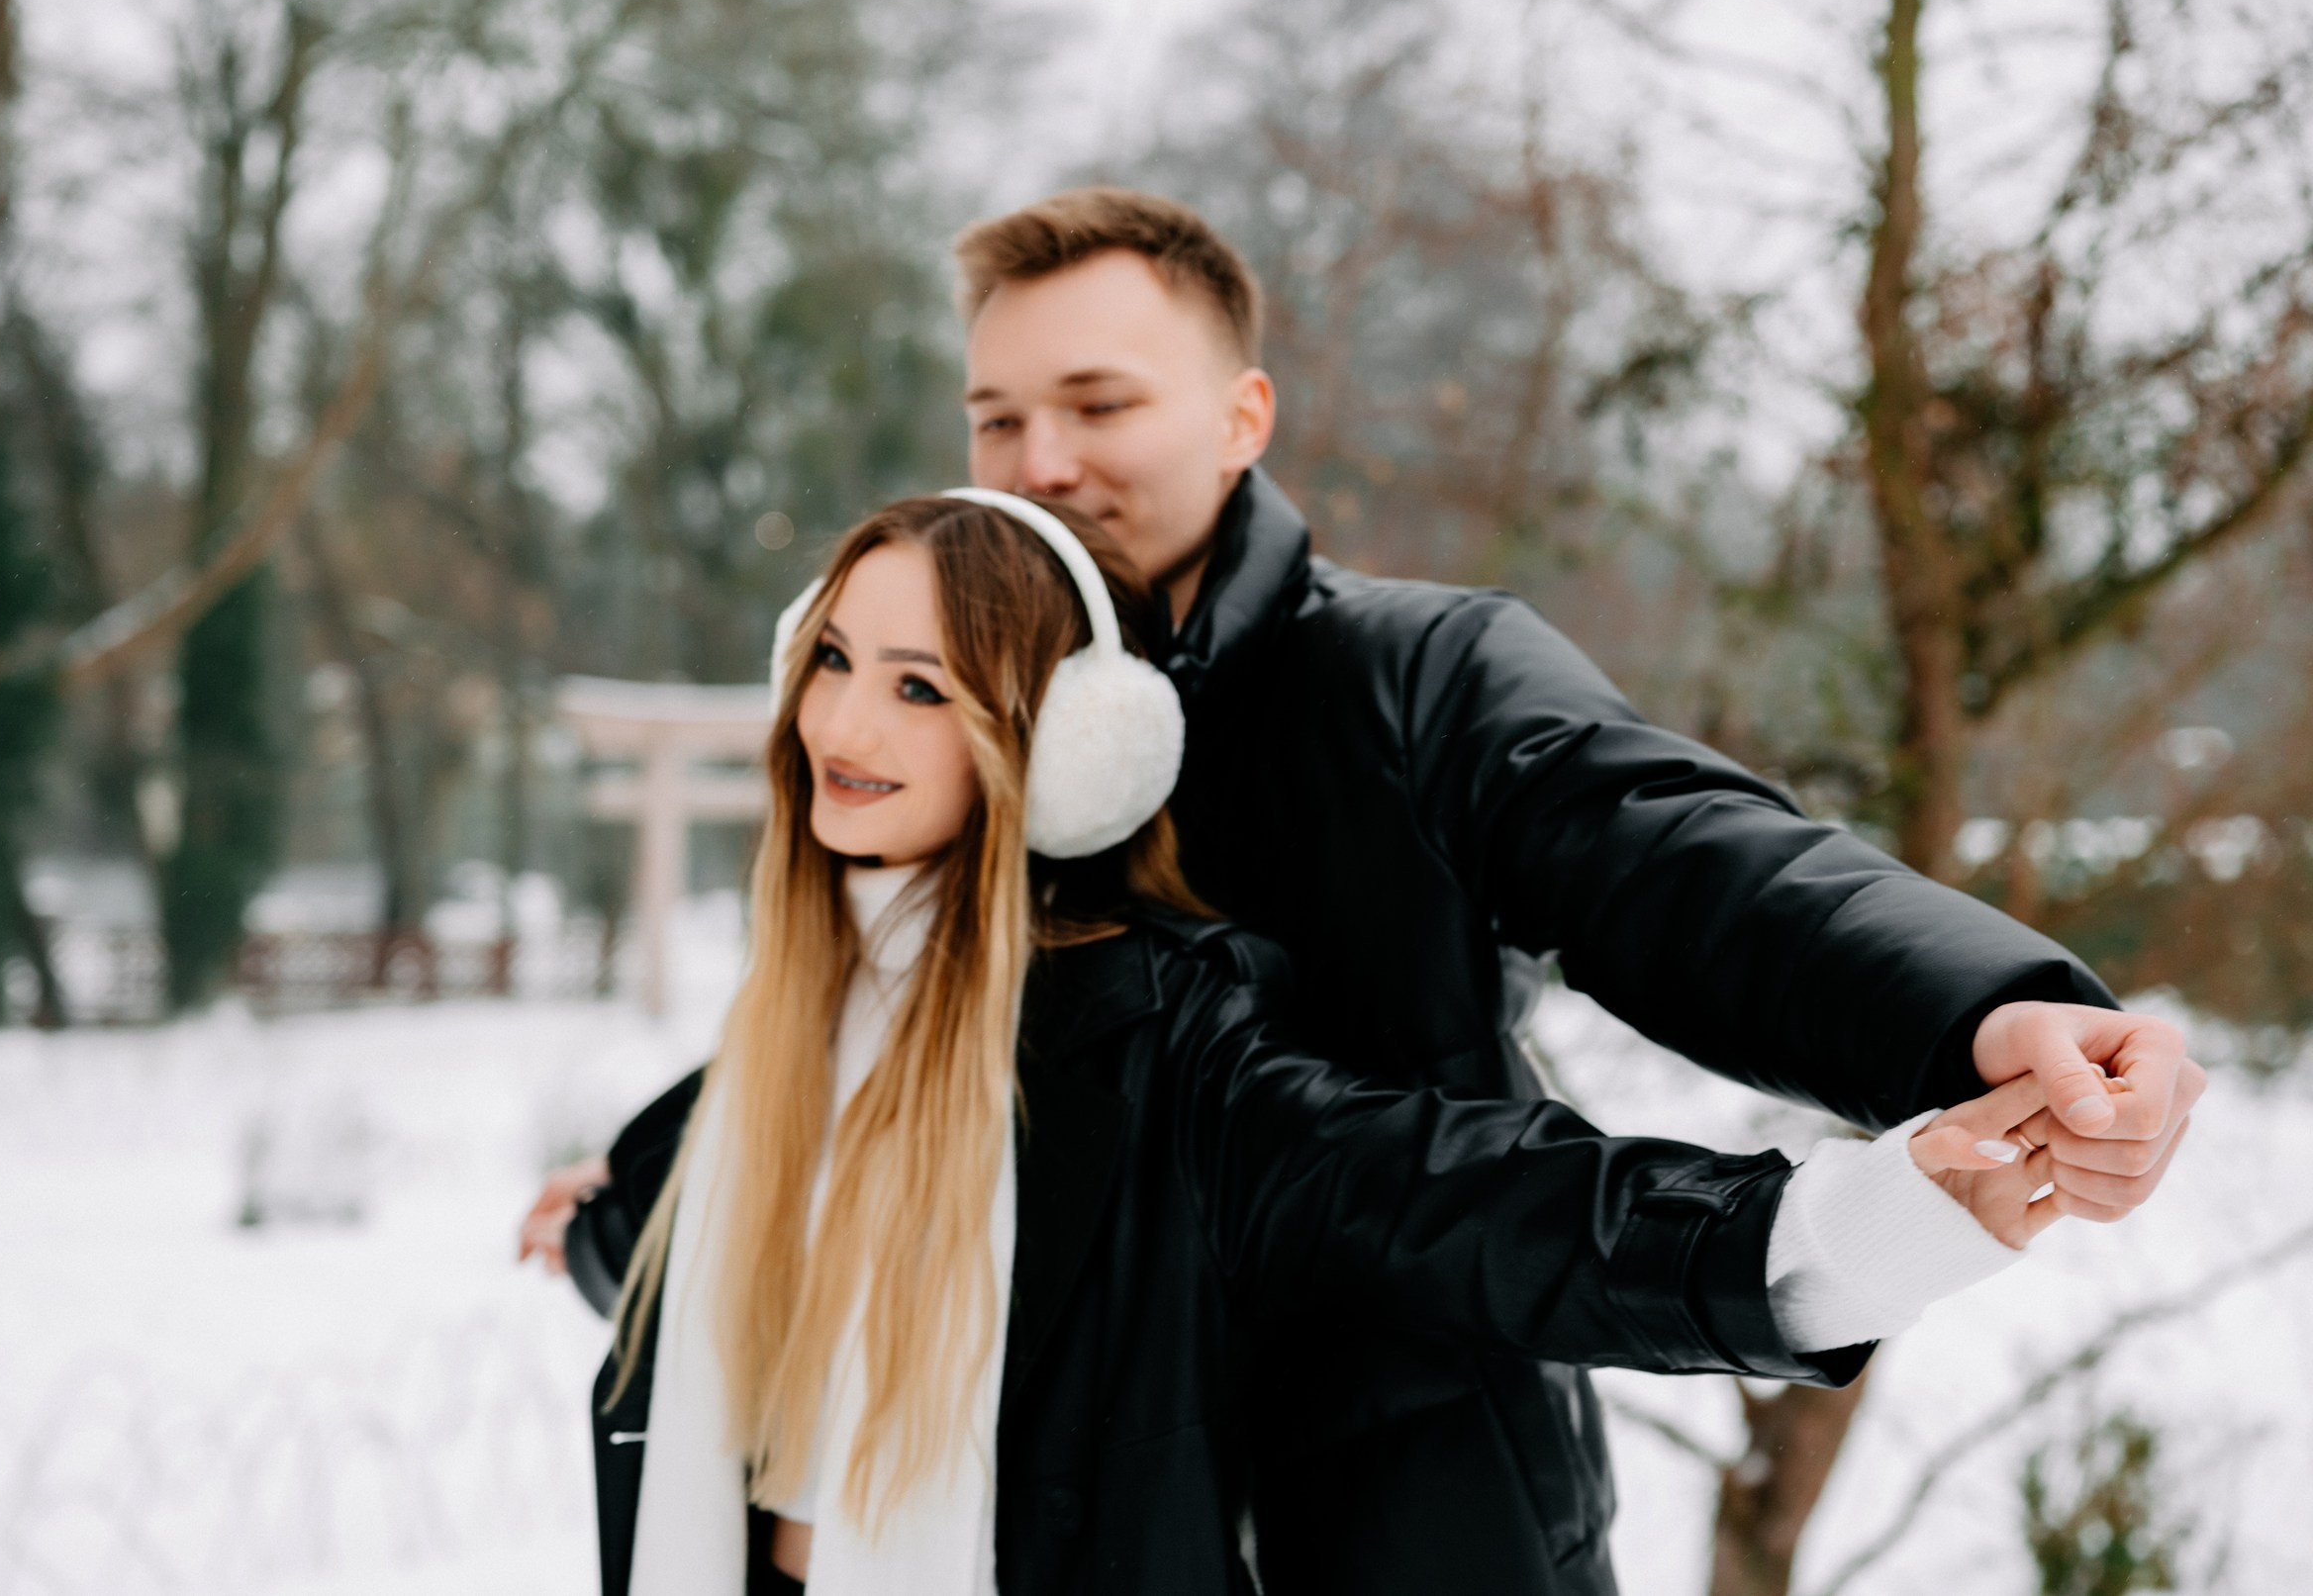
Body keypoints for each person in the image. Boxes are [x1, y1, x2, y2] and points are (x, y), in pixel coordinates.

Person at [927, 187, 2207, 1592]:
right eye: (997, 418)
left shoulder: (1412, 677)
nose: (1039, 463)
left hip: (1426, 1507)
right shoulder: (943, 723)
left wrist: (1982, 1014)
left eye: (1098, 405)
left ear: (1244, 417)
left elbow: (1676, 858)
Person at [531, 490, 2079, 1596]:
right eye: (832, 659)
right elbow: (716, 1243)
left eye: (921, 686)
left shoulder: (1150, 1041)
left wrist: (1832, 1232)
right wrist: (599, 1225)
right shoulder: (786, 1037)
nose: (845, 726)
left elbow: (1456, 1197)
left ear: (1061, 753)